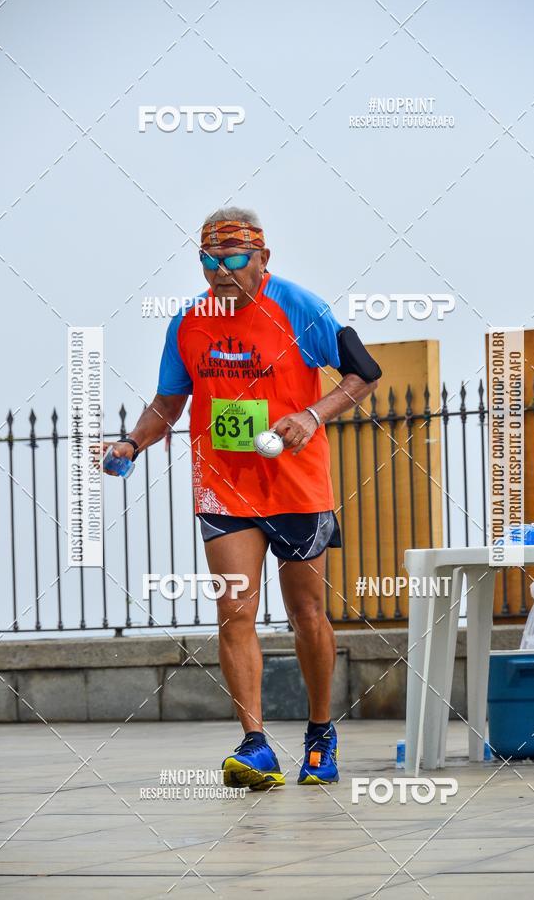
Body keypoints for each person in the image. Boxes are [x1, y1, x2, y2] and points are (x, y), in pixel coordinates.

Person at [100, 207, 381, 790]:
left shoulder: (300, 307)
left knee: (307, 614)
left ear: (263, 259)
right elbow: (167, 405)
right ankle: (255, 745)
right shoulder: (188, 322)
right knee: (235, 611)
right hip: (224, 488)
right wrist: (132, 442)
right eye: (209, 260)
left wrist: (312, 413)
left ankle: (320, 735)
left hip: (298, 487)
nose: (220, 271)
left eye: (232, 259)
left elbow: (364, 373)